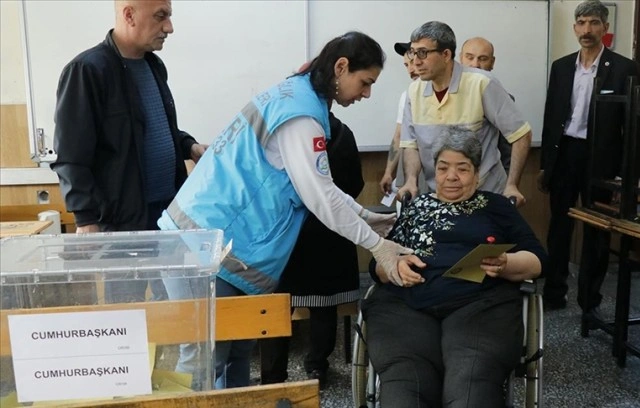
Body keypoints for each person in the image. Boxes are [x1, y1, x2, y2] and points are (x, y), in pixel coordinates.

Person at [158, 32, 413, 389]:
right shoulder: (301, 115)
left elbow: (319, 185)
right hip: (207, 244)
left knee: (237, 351)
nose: (367, 93)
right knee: (205, 359)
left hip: (223, 243)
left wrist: (366, 217)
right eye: (365, 82)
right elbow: (319, 196)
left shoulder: (298, 96)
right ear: (341, 67)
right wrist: (376, 245)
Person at [363, 128, 546, 407]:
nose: (451, 176)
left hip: (480, 306)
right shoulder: (416, 207)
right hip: (406, 307)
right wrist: (394, 266)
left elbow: (538, 260)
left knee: (471, 384)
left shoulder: (496, 206)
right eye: (443, 168)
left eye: (462, 169)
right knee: (405, 385)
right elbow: (377, 263)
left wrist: (507, 263)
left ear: (477, 173)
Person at [51, 0, 206, 303]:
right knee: (125, 312)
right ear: (129, 15)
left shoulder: (153, 65)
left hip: (167, 217)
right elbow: (71, 155)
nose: (169, 27)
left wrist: (189, 146)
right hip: (122, 225)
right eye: (161, 16)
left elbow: (155, 129)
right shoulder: (88, 70)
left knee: (172, 307)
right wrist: (85, 219)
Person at [538, 0, 639, 315]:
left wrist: (623, 174)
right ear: (574, 27)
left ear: (605, 28)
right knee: (559, 226)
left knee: (596, 230)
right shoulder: (561, 66)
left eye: (594, 22)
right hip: (565, 153)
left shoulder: (623, 68)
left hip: (601, 158)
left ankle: (589, 300)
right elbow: (551, 115)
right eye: (581, 22)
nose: (587, 29)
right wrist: (545, 165)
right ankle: (554, 293)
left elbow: (631, 126)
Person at [258, 111, 364, 389]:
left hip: (286, 231)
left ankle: (273, 376)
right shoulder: (343, 133)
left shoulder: (284, 133)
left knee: (277, 306)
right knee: (324, 304)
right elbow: (356, 184)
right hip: (329, 230)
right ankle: (317, 367)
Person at [398, 21, 532, 206]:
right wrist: (411, 180)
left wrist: (512, 185)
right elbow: (411, 145)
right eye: (413, 53)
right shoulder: (414, 91)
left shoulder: (482, 83)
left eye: (423, 53)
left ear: (446, 55)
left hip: (486, 193)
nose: (415, 61)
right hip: (440, 195)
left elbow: (521, 134)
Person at [459, 36, 513, 174]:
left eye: (482, 59)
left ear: (492, 62)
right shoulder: (443, 95)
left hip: (486, 177)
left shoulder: (502, 100)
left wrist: (509, 182)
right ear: (460, 59)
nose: (475, 64)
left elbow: (507, 152)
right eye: (469, 57)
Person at [379, 41, 420, 195]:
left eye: (413, 62)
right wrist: (388, 172)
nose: (411, 69)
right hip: (413, 169)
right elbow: (399, 134)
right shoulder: (408, 95)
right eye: (406, 65)